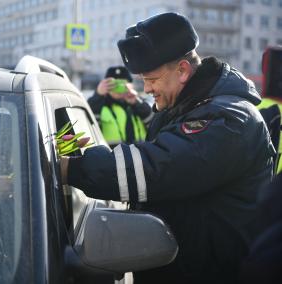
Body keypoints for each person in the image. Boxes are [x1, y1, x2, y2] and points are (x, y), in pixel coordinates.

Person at [60, 12, 275, 283]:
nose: (146, 89)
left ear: (183, 70)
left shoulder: (228, 118)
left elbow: (155, 168)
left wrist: (74, 167)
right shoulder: (186, 108)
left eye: (151, 79)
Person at [87, 66, 153, 147]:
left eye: (122, 83)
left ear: (131, 85)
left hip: (141, 156)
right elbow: (90, 126)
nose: (118, 87)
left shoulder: (139, 103)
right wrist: (98, 94)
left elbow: (154, 125)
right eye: (114, 84)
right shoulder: (99, 106)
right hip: (111, 157)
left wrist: (137, 102)